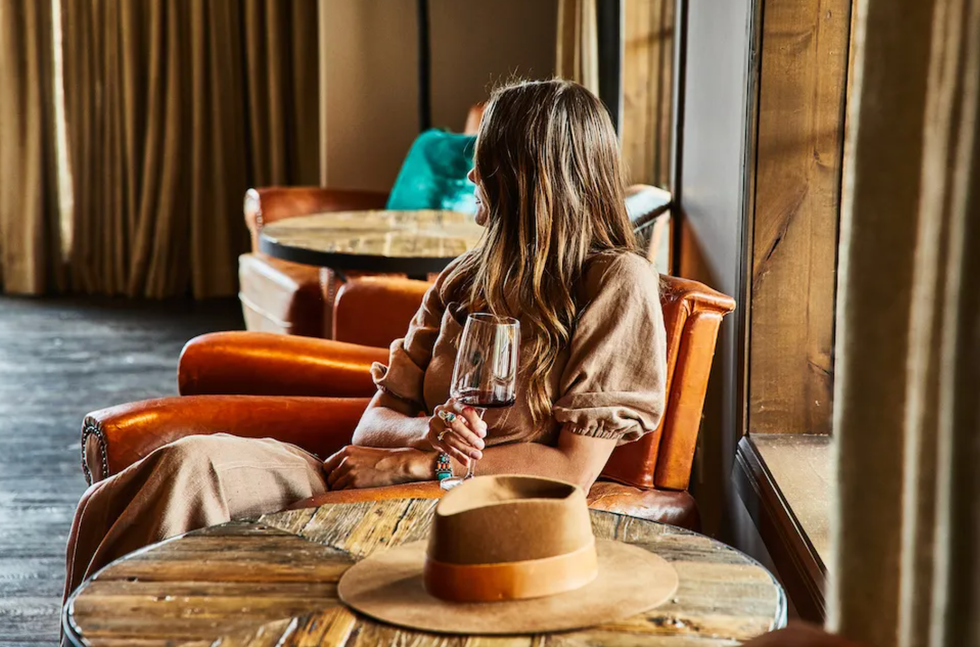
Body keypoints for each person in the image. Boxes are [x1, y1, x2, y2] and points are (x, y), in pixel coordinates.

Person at [63, 79, 667, 601]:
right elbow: (372, 424)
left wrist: (418, 463)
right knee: (175, 468)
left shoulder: (616, 283)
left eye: (484, 162)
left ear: (526, 177)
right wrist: (423, 435)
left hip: (461, 509)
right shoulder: (465, 280)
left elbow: (571, 470)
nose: (470, 176)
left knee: (183, 481)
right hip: (374, 478)